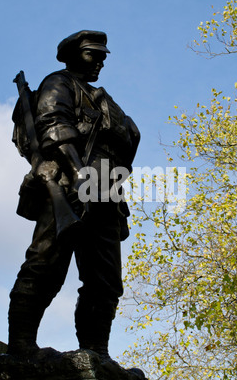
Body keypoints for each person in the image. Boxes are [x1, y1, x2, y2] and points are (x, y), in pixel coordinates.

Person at [7, 30, 140, 360]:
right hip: (69, 184)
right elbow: (54, 126)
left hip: (106, 190)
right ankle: (21, 349)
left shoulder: (103, 98)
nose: (100, 60)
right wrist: (78, 171)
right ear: (71, 55)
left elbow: (129, 139)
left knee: (106, 282)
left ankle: (96, 352)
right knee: (45, 265)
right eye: (92, 54)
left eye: (103, 55)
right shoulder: (59, 83)